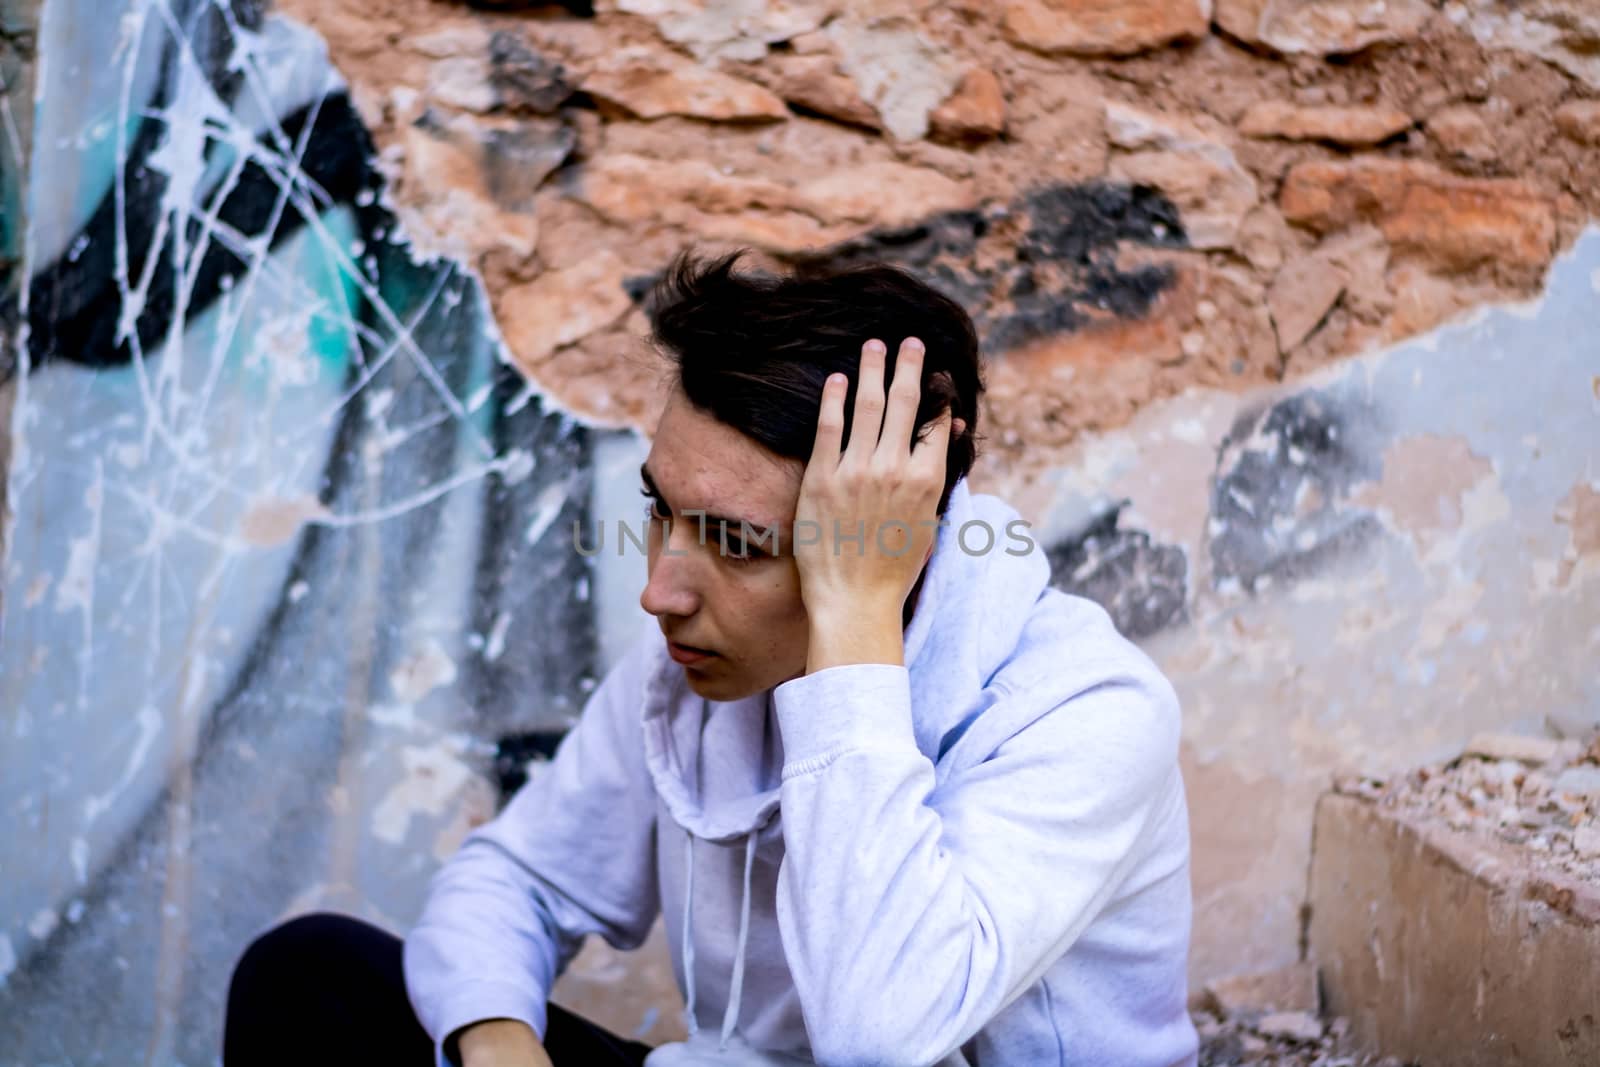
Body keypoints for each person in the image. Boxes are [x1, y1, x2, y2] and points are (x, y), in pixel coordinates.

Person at [223, 251, 1199, 1067]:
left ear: (894, 537)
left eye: (735, 541)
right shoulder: (697, 664)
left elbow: (881, 1033)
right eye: (659, 510)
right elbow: (511, 880)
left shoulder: (1083, 709)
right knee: (314, 976)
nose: (661, 589)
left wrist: (850, 625)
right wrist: (499, 1047)